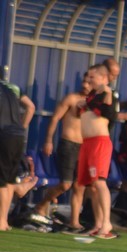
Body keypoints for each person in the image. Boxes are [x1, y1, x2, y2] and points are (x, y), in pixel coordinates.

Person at [33, 72, 91, 231]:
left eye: (89, 82)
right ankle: (42, 204)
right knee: (65, 184)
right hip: (68, 144)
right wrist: (48, 140)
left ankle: (75, 221)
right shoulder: (71, 98)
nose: (85, 85)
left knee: (80, 186)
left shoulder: (94, 105)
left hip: (84, 147)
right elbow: (55, 119)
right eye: (84, 81)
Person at [76, 64, 117, 239]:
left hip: (99, 142)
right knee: (91, 186)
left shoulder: (108, 95)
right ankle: (98, 223)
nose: (89, 80)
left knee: (100, 182)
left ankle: (107, 222)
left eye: (92, 77)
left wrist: (88, 101)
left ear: (102, 78)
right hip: (87, 143)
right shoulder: (92, 96)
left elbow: (109, 113)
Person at [0, 76, 37, 231]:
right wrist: (22, 126)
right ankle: (4, 221)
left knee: (1, 180)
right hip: (17, 135)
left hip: (3, 134)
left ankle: (1, 221)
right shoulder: (12, 88)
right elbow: (31, 107)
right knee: (8, 180)